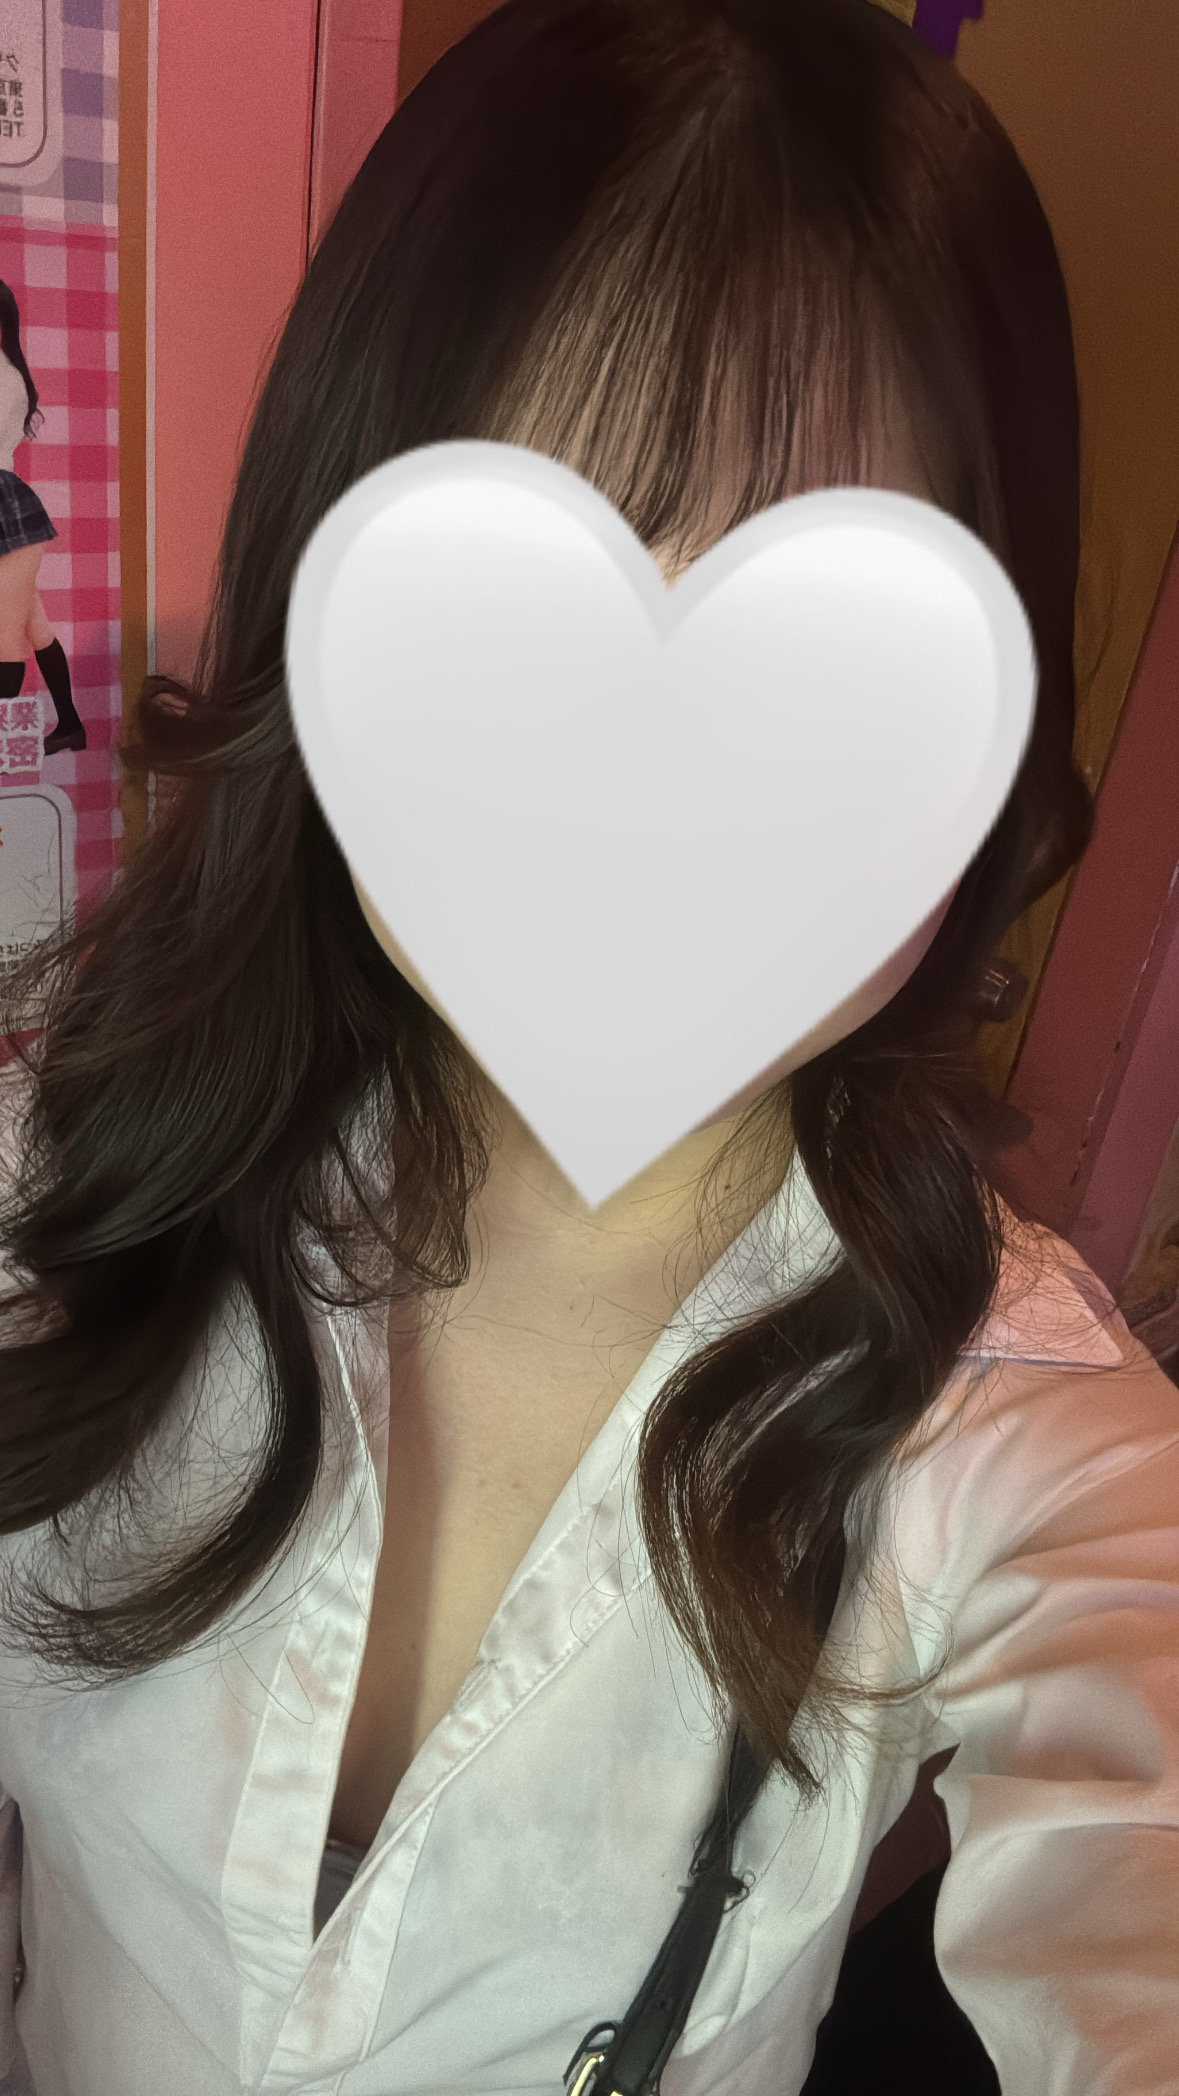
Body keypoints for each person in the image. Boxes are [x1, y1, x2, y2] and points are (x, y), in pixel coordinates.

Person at [0, 1, 1175, 2092]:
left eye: (822, 682)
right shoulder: (56, 1167)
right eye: (512, 629)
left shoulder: (1017, 1444)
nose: (648, 812)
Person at [0, 282, 85, 758]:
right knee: (33, 625)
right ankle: (70, 725)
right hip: (10, 507)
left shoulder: (3, 375)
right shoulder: (10, 371)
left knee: (5, 635)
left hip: (8, 510)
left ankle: (4, 747)